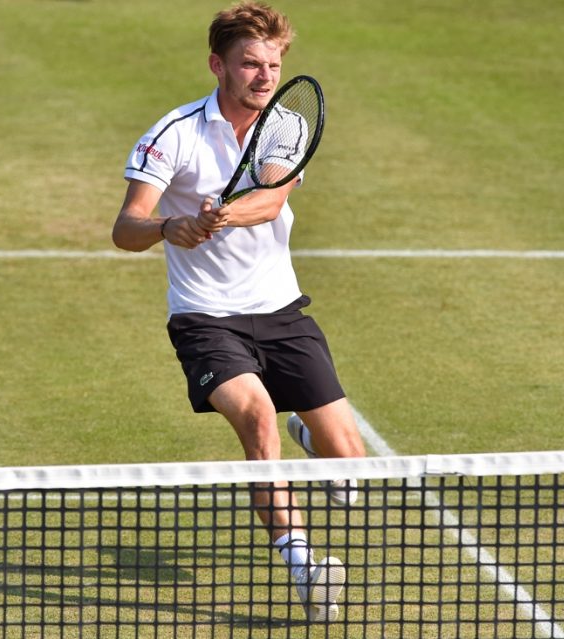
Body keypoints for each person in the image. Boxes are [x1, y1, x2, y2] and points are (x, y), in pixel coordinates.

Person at [111, 1, 365, 623]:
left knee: (350, 465)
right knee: (256, 418)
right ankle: (305, 569)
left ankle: (309, 434)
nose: (264, 77)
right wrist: (169, 226)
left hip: (280, 310)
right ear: (217, 65)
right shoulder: (174, 134)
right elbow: (125, 227)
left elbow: (271, 199)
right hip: (204, 317)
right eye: (250, 64)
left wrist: (219, 215)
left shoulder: (286, 124)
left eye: (272, 65)